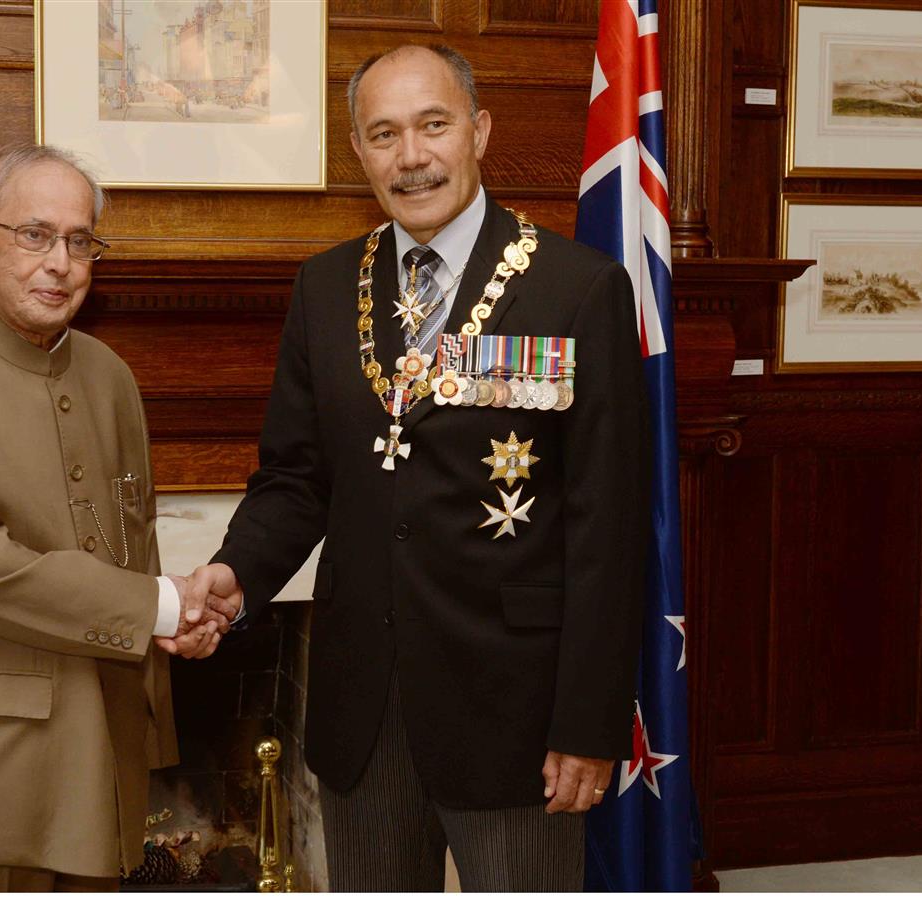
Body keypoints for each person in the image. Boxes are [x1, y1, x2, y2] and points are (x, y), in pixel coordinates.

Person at [181, 44, 649, 891]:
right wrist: (234, 570)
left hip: (516, 710)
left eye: (433, 125)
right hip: (363, 709)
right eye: (384, 134)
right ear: (358, 153)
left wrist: (589, 722)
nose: (412, 156)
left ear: (479, 130)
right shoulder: (324, 289)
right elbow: (296, 477)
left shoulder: (578, 289)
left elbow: (607, 526)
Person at [0, 143, 232, 892]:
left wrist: (173, 636)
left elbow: (134, 541)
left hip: (105, 757)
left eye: (79, 240)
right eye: (34, 234)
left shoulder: (109, 375)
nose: (59, 262)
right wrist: (163, 604)